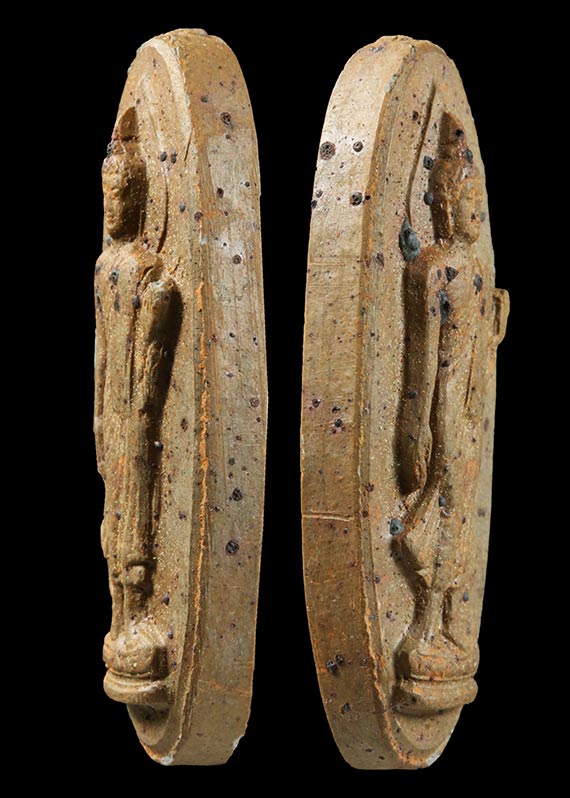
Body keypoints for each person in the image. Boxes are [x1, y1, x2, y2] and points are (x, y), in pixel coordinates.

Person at [395, 113, 508, 714]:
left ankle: (435, 622)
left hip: (469, 406)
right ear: (442, 204)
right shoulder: (432, 269)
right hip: (441, 405)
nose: (474, 214)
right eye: (465, 203)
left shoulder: (478, 269)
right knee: (441, 502)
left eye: (478, 204)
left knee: (458, 506)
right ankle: (423, 622)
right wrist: (412, 431)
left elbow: (480, 349)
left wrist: (495, 324)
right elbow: (418, 363)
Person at [95, 110, 180, 706]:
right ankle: (121, 619)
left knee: (139, 514)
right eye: (108, 197)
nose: (113, 208)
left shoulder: (148, 270)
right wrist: (101, 418)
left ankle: (139, 610)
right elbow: (102, 353)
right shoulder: (106, 268)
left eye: (122, 196)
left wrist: (158, 307)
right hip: (115, 410)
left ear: (141, 198)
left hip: (140, 413)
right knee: (115, 511)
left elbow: (151, 348)